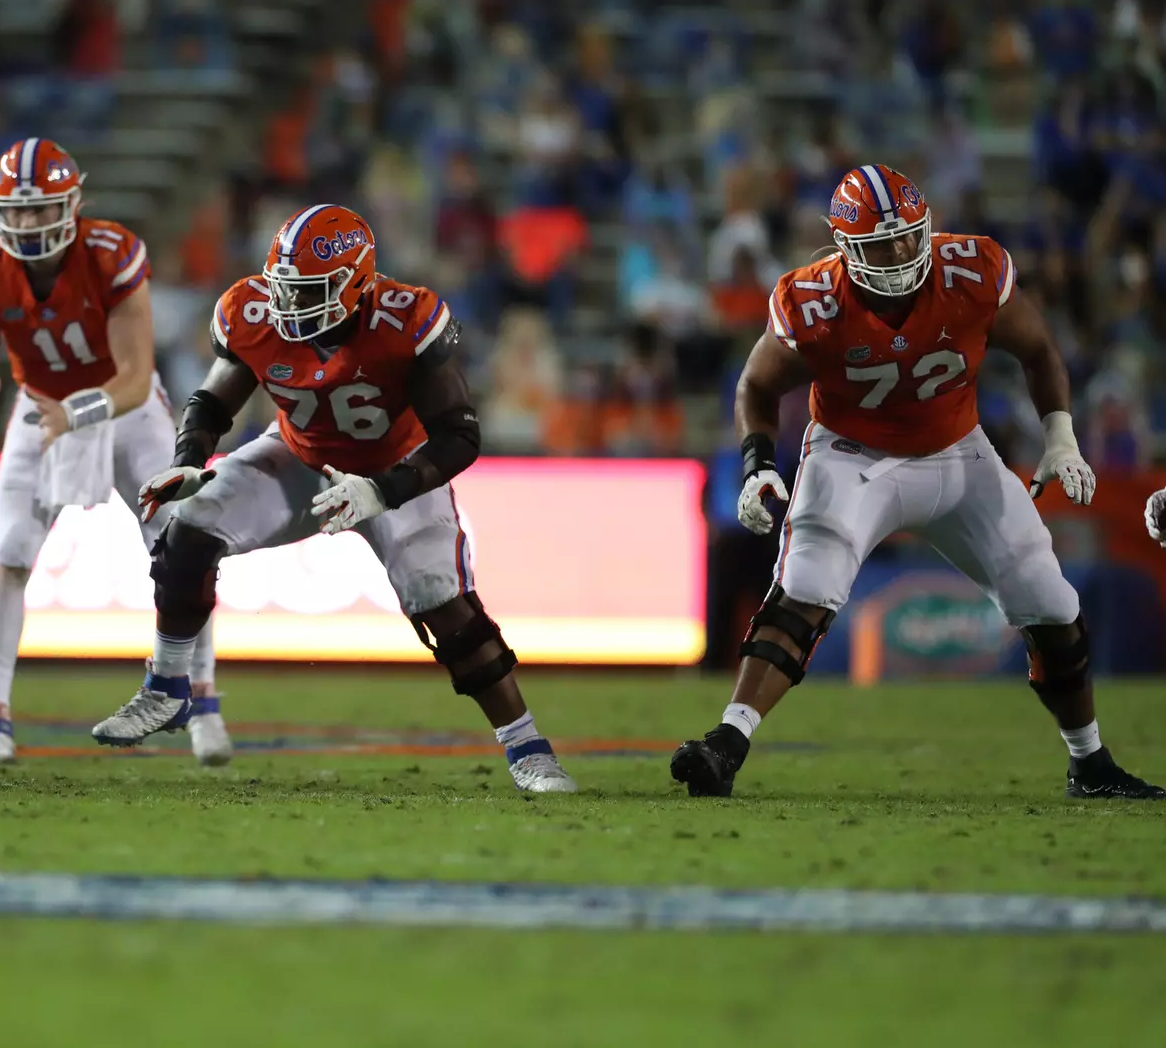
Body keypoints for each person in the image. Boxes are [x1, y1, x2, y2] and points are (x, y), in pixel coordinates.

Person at [673, 164, 1163, 801]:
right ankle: (727, 743)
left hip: (959, 453)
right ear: (845, 250)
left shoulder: (971, 271)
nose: (903, 253)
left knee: (1051, 600)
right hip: (852, 456)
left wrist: (1061, 437)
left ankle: (1090, 763)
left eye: (909, 236)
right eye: (884, 244)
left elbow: (1039, 349)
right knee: (807, 583)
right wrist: (758, 462)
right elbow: (757, 385)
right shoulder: (813, 300)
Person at [90, 204, 577, 794]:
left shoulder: (405, 319)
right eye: (285, 291)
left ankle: (527, 747)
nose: (290, 306)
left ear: (356, 283)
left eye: (309, 291)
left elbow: (459, 434)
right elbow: (215, 401)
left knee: (445, 606)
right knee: (188, 526)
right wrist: (188, 463)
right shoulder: (252, 312)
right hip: (299, 456)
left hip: (396, 469)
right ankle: (167, 688)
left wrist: (383, 489)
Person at [0, 137, 224, 767]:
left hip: (121, 409)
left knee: (183, 547)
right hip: (37, 404)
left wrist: (71, 414)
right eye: (15, 212)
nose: (27, 223)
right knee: (11, 552)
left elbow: (133, 376)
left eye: (41, 208)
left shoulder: (111, 254)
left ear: (72, 205)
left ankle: (202, 699)